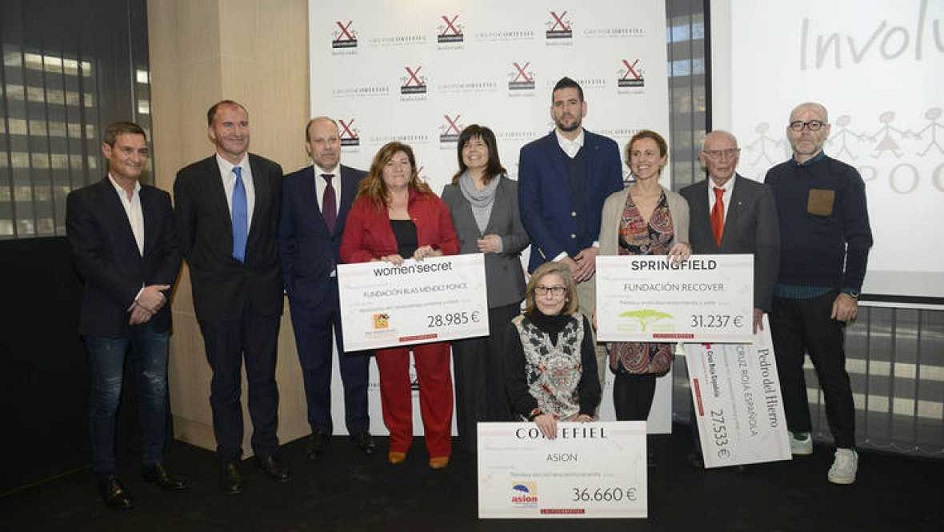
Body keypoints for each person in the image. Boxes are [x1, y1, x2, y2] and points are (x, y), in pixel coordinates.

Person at [66, 121, 187, 510]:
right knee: (108, 396)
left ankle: (154, 463)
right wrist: (136, 296)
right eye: (127, 150)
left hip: (153, 313)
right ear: (108, 151)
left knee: (155, 392)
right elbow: (87, 260)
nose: (136, 158)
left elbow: (172, 250)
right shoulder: (84, 200)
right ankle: (106, 474)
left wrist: (153, 299)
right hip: (106, 316)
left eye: (141, 151)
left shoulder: (159, 199)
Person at [174, 100, 290, 495]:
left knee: (263, 379)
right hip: (217, 299)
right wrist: (212, 275)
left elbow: (275, 232)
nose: (237, 132)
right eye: (228, 125)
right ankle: (229, 457)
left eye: (242, 123)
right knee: (224, 382)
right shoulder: (191, 178)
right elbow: (185, 239)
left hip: (263, 296)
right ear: (212, 131)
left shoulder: (271, 172)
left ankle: (267, 450)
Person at [764, 102, 873, 485]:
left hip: (824, 297)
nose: (805, 131)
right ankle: (800, 434)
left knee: (832, 375)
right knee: (786, 370)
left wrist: (850, 292)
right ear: (788, 131)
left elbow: (860, 239)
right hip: (779, 296)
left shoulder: (844, 176)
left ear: (826, 130)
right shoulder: (774, 177)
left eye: (813, 124)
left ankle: (846, 449)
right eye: (798, 124)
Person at [340, 142, 459, 469]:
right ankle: (400, 439)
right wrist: (376, 260)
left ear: (413, 168)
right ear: (379, 169)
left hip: (429, 302)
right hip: (385, 306)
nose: (397, 168)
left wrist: (435, 253)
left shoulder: (432, 203)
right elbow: (348, 251)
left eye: (404, 162)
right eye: (390, 163)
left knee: (435, 374)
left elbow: (452, 244)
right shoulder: (364, 206)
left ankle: (439, 443)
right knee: (392, 375)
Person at [680, 130, 780, 467]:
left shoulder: (760, 194)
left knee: (741, 377)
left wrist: (759, 303)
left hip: (743, 305)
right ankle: (702, 447)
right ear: (703, 158)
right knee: (703, 376)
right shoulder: (687, 197)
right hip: (701, 306)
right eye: (715, 153)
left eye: (729, 152)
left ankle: (742, 449)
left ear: (737, 155)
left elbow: (769, 250)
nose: (722, 160)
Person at [517, 76, 624, 386]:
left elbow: (615, 204)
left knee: (594, 346)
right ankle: (550, 413)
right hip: (549, 268)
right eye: (560, 104)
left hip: (594, 268)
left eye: (572, 103)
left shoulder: (607, 149)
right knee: (546, 350)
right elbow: (529, 211)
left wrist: (597, 248)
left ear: (583, 107)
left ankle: (589, 412)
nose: (566, 109)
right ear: (552, 110)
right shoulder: (532, 153)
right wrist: (560, 257)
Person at [278, 117, 374, 459]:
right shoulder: (290, 185)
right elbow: (283, 240)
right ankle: (319, 428)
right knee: (314, 367)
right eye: (320, 141)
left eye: (333, 139)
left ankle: (359, 428)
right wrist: (291, 285)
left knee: (356, 367)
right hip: (308, 295)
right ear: (308, 146)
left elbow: (373, 235)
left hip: (355, 295)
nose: (328, 146)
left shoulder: (364, 182)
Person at [441, 124, 529, 454]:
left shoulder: (512, 188)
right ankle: (471, 444)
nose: (473, 150)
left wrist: (502, 243)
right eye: (467, 145)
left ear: (491, 149)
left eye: (479, 145)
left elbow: (525, 234)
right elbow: (443, 239)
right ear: (460, 152)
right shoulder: (450, 192)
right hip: (463, 294)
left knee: (503, 368)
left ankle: (503, 442)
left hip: (504, 292)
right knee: (467, 370)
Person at [598, 130, 690, 428]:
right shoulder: (614, 203)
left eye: (650, 153)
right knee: (626, 370)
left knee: (649, 370)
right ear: (629, 160)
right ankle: (627, 444)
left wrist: (686, 248)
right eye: (636, 154)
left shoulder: (678, 203)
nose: (642, 160)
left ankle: (636, 441)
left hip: (661, 303)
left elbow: (684, 248)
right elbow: (606, 256)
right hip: (624, 301)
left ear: (662, 159)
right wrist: (603, 304)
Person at [505, 262, 601, 439]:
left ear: (567, 295)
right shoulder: (517, 327)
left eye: (556, 289)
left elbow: (590, 378)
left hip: (577, 421)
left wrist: (585, 414)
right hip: (533, 423)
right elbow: (514, 384)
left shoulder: (580, 323)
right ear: (533, 294)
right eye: (542, 289)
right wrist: (536, 414)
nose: (549, 296)